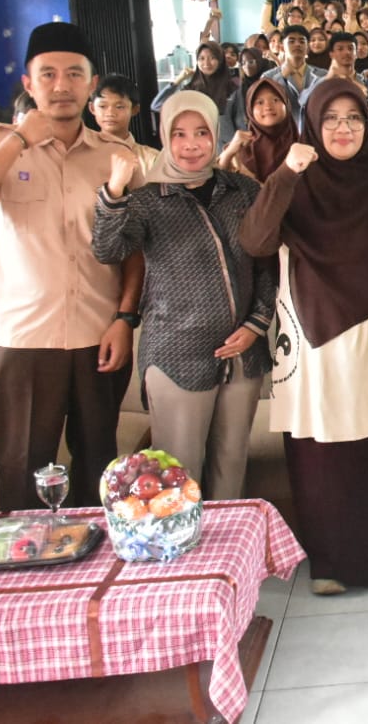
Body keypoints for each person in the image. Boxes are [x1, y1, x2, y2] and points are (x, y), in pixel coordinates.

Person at [238, 79, 368, 595]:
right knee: (321, 447)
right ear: (311, 125)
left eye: (352, 118)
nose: (343, 129)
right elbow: (255, 241)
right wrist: (285, 173)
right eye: (330, 119)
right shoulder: (294, 182)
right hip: (314, 335)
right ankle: (328, 559)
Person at [0, 22, 142, 510]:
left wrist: (125, 317)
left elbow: (136, 248)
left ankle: (96, 561)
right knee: (22, 473)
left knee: (99, 471)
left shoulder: (116, 156)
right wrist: (17, 140)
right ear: (29, 84)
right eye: (48, 74)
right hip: (24, 340)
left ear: (92, 84)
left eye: (74, 74)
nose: (61, 85)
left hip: (98, 336)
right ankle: (25, 559)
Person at [92, 91, 273, 499]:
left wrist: (256, 324)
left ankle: (230, 542)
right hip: (176, 354)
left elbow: (266, 261)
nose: (191, 144)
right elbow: (108, 249)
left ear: (215, 134)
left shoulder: (241, 190)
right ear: (164, 137)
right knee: (178, 474)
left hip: (242, 353)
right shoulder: (147, 200)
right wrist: (114, 191)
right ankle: (184, 542)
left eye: (201, 133)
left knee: (232, 467)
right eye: (179, 134)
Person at [219, 78, 299, 183]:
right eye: (260, 102)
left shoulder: (302, 144)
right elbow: (219, 182)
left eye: (276, 100)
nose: (268, 107)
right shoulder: (241, 147)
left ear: (287, 105)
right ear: (250, 110)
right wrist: (229, 153)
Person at [154, 41, 239, 123]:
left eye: (212, 58)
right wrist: (178, 80)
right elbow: (157, 105)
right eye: (201, 58)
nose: (206, 63)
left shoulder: (232, 89)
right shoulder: (191, 90)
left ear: (220, 61)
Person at [89, 73, 160, 170]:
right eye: (102, 106)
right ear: (92, 108)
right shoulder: (80, 156)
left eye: (119, 107)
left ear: (134, 109)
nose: (110, 113)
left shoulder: (152, 159)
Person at [260, 25, 326, 117]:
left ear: (307, 47)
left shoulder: (322, 75)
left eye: (302, 41)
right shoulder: (268, 77)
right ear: (282, 47)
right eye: (291, 41)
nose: (297, 44)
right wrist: (282, 76)